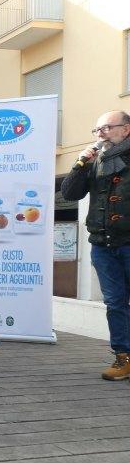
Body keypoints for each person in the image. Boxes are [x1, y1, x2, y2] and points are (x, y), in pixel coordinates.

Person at [61, 111, 130, 381]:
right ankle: (123, 357)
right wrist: (80, 164)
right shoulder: (94, 160)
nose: (100, 133)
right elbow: (69, 193)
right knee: (115, 302)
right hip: (103, 245)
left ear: (126, 129)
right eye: (97, 129)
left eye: (106, 128)